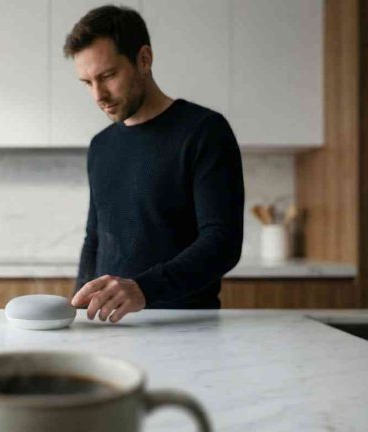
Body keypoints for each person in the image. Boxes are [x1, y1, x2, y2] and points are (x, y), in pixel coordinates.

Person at [65, 5, 244, 321]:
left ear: (143, 59)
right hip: (111, 330)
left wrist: (142, 289)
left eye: (107, 75)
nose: (98, 95)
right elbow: (94, 240)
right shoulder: (100, 146)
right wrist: (79, 312)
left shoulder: (204, 131)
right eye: (87, 82)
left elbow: (222, 242)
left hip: (187, 328)